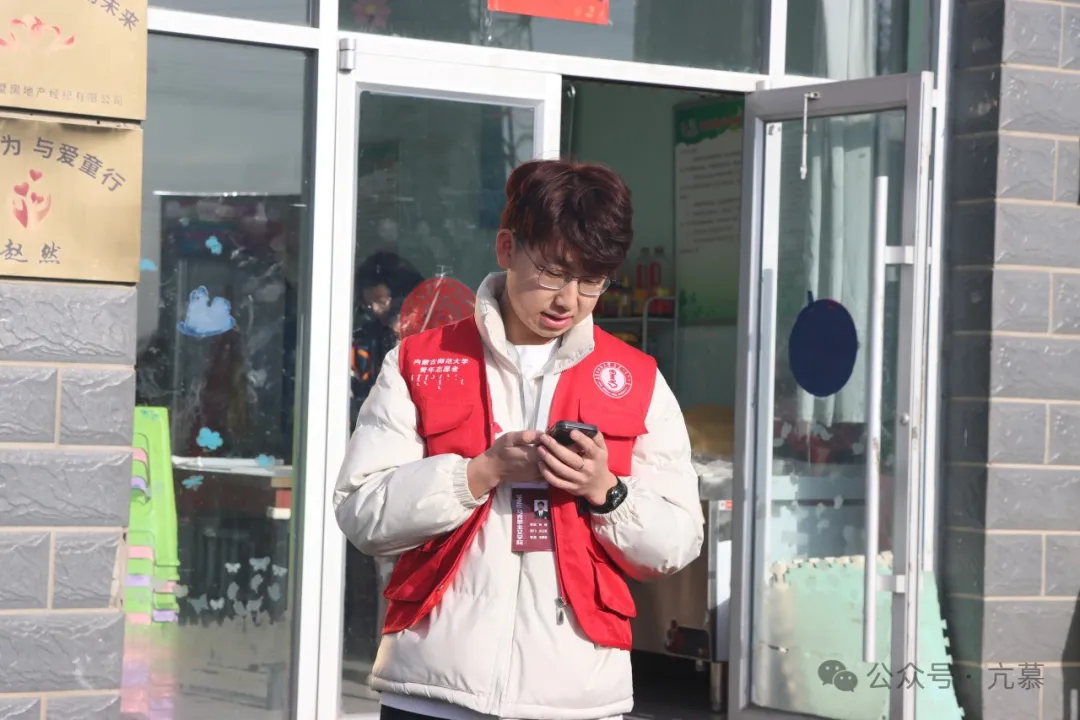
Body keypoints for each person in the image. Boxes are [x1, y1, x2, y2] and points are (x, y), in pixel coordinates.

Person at [335, 159, 703, 720]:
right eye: (553, 273)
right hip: (430, 689)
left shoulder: (637, 379)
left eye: (592, 281)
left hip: (576, 696)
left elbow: (677, 543)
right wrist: (478, 473)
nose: (568, 300)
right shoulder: (421, 360)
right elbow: (361, 511)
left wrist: (606, 491)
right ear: (507, 248)